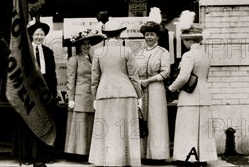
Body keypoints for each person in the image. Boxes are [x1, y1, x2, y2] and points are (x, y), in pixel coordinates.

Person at [89, 19, 142, 167]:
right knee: (126, 128)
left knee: (107, 128)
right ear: (119, 35)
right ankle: (127, 160)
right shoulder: (127, 51)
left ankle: (107, 160)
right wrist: (139, 95)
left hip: (105, 94)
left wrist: (94, 96)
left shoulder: (98, 52)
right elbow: (133, 75)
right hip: (126, 93)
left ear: (105, 35)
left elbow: (95, 78)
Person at [168, 16, 217, 165]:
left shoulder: (188, 55)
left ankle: (187, 158)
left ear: (189, 41)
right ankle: (202, 158)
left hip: (190, 96)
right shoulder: (205, 55)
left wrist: (171, 88)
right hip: (203, 94)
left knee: (187, 127)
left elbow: (183, 77)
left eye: (184, 40)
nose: (183, 43)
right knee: (202, 128)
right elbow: (205, 76)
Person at [18, 17, 57, 167]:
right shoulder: (25, 53)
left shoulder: (48, 52)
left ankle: (44, 155)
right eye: (36, 34)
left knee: (45, 123)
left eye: (41, 34)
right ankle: (29, 155)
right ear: (31, 36)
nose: (39, 37)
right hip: (29, 92)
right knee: (30, 122)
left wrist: (52, 94)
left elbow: (52, 75)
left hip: (44, 92)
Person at [64, 28, 104, 160]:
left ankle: (89, 153)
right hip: (80, 97)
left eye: (88, 44)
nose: (87, 46)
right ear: (79, 46)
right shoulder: (74, 60)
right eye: (84, 44)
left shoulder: (95, 58)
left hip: (93, 96)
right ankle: (79, 154)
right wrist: (71, 99)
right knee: (80, 126)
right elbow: (70, 81)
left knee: (90, 125)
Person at [137, 16, 171, 162]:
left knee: (156, 120)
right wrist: (138, 82)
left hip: (156, 89)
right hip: (141, 90)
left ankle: (157, 155)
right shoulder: (139, 53)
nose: (149, 37)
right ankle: (142, 154)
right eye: (147, 34)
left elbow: (165, 72)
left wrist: (148, 81)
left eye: (152, 34)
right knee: (141, 119)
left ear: (157, 36)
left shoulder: (163, 52)